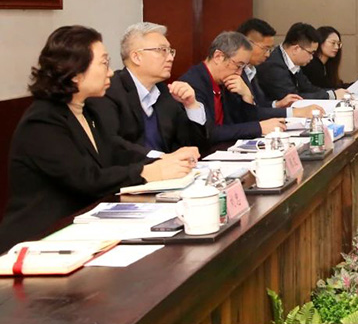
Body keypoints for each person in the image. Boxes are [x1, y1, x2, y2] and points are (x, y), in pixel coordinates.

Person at [0, 26, 198, 252]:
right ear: (75, 72)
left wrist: (165, 161)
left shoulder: (87, 111)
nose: (111, 72)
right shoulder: (43, 121)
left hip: (81, 231)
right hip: (39, 240)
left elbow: (116, 150)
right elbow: (86, 179)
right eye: (104, 63)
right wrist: (147, 172)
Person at [87, 22, 208, 156]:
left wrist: (191, 105)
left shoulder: (165, 93)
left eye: (170, 51)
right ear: (136, 57)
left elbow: (194, 145)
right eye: (162, 50)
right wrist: (161, 158)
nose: (170, 58)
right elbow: (112, 145)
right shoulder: (109, 90)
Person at [179, 31, 286, 145]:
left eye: (243, 67)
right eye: (238, 66)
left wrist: (247, 95)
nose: (239, 73)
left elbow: (242, 121)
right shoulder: (193, 83)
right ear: (218, 57)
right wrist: (258, 127)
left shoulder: (227, 81)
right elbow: (209, 132)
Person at [236, 17, 326, 119]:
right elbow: (245, 115)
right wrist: (294, 112)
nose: (268, 54)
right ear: (247, 44)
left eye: (270, 49)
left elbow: (260, 104)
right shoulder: (236, 73)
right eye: (265, 49)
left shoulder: (251, 70)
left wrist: (277, 104)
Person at [256, 22, 338, 104]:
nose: (312, 57)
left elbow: (308, 88)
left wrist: (334, 93)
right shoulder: (274, 66)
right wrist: (330, 95)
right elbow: (293, 98)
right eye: (311, 53)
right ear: (296, 49)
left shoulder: (292, 63)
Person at [302, 26, 347, 91]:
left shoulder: (327, 66)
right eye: (333, 43)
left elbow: (336, 86)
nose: (337, 47)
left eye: (338, 44)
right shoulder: (311, 64)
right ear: (320, 41)